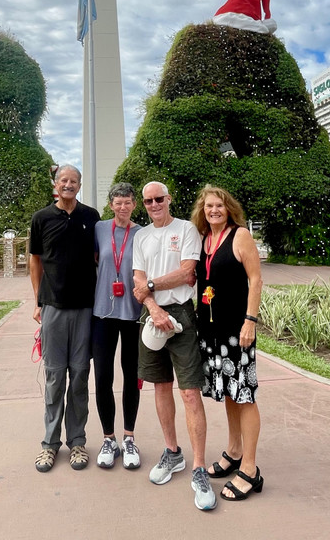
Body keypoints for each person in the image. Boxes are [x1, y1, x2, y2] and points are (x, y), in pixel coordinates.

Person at [132, 181, 217, 511]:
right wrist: (153, 307)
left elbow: (186, 274)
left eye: (159, 199)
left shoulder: (185, 230)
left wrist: (152, 286)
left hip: (181, 313)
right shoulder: (141, 236)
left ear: (169, 199)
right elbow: (138, 280)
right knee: (161, 387)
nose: (154, 204)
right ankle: (173, 453)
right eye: (148, 200)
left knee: (190, 391)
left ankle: (198, 467)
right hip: (151, 314)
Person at [190, 185, 264, 501]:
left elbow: (256, 279)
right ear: (202, 210)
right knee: (230, 394)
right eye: (209, 206)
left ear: (229, 207)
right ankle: (234, 452)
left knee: (244, 394)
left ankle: (250, 470)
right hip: (211, 331)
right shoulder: (204, 239)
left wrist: (250, 320)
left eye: (219, 205)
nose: (214, 210)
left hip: (237, 329)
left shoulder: (240, 235)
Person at [29, 164, 100, 473]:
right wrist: (38, 301)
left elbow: (100, 258)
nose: (68, 185)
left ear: (79, 185)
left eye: (74, 181)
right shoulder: (41, 218)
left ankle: (77, 441)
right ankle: (49, 444)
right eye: (64, 181)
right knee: (55, 376)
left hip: (85, 307)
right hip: (54, 308)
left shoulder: (91, 217)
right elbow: (35, 260)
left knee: (80, 375)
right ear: (56, 185)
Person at [92, 183, 142, 470]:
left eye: (127, 202)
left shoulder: (142, 233)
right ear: (110, 204)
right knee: (102, 377)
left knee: (132, 376)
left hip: (133, 314)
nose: (122, 207)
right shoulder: (100, 229)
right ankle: (108, 438)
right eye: (117, 202)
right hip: (103, 313)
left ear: (134, 204)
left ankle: (129, 437)